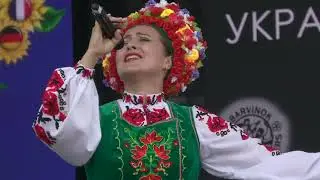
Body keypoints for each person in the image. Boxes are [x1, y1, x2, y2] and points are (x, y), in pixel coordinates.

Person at [32, 0, 320, 179]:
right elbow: (56, 133)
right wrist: (92, 54)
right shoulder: (95, 119)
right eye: (123, 43)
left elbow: (271, 167)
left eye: (143, 39)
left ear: (169, 60)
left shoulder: (194, 122)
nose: (130, 45)